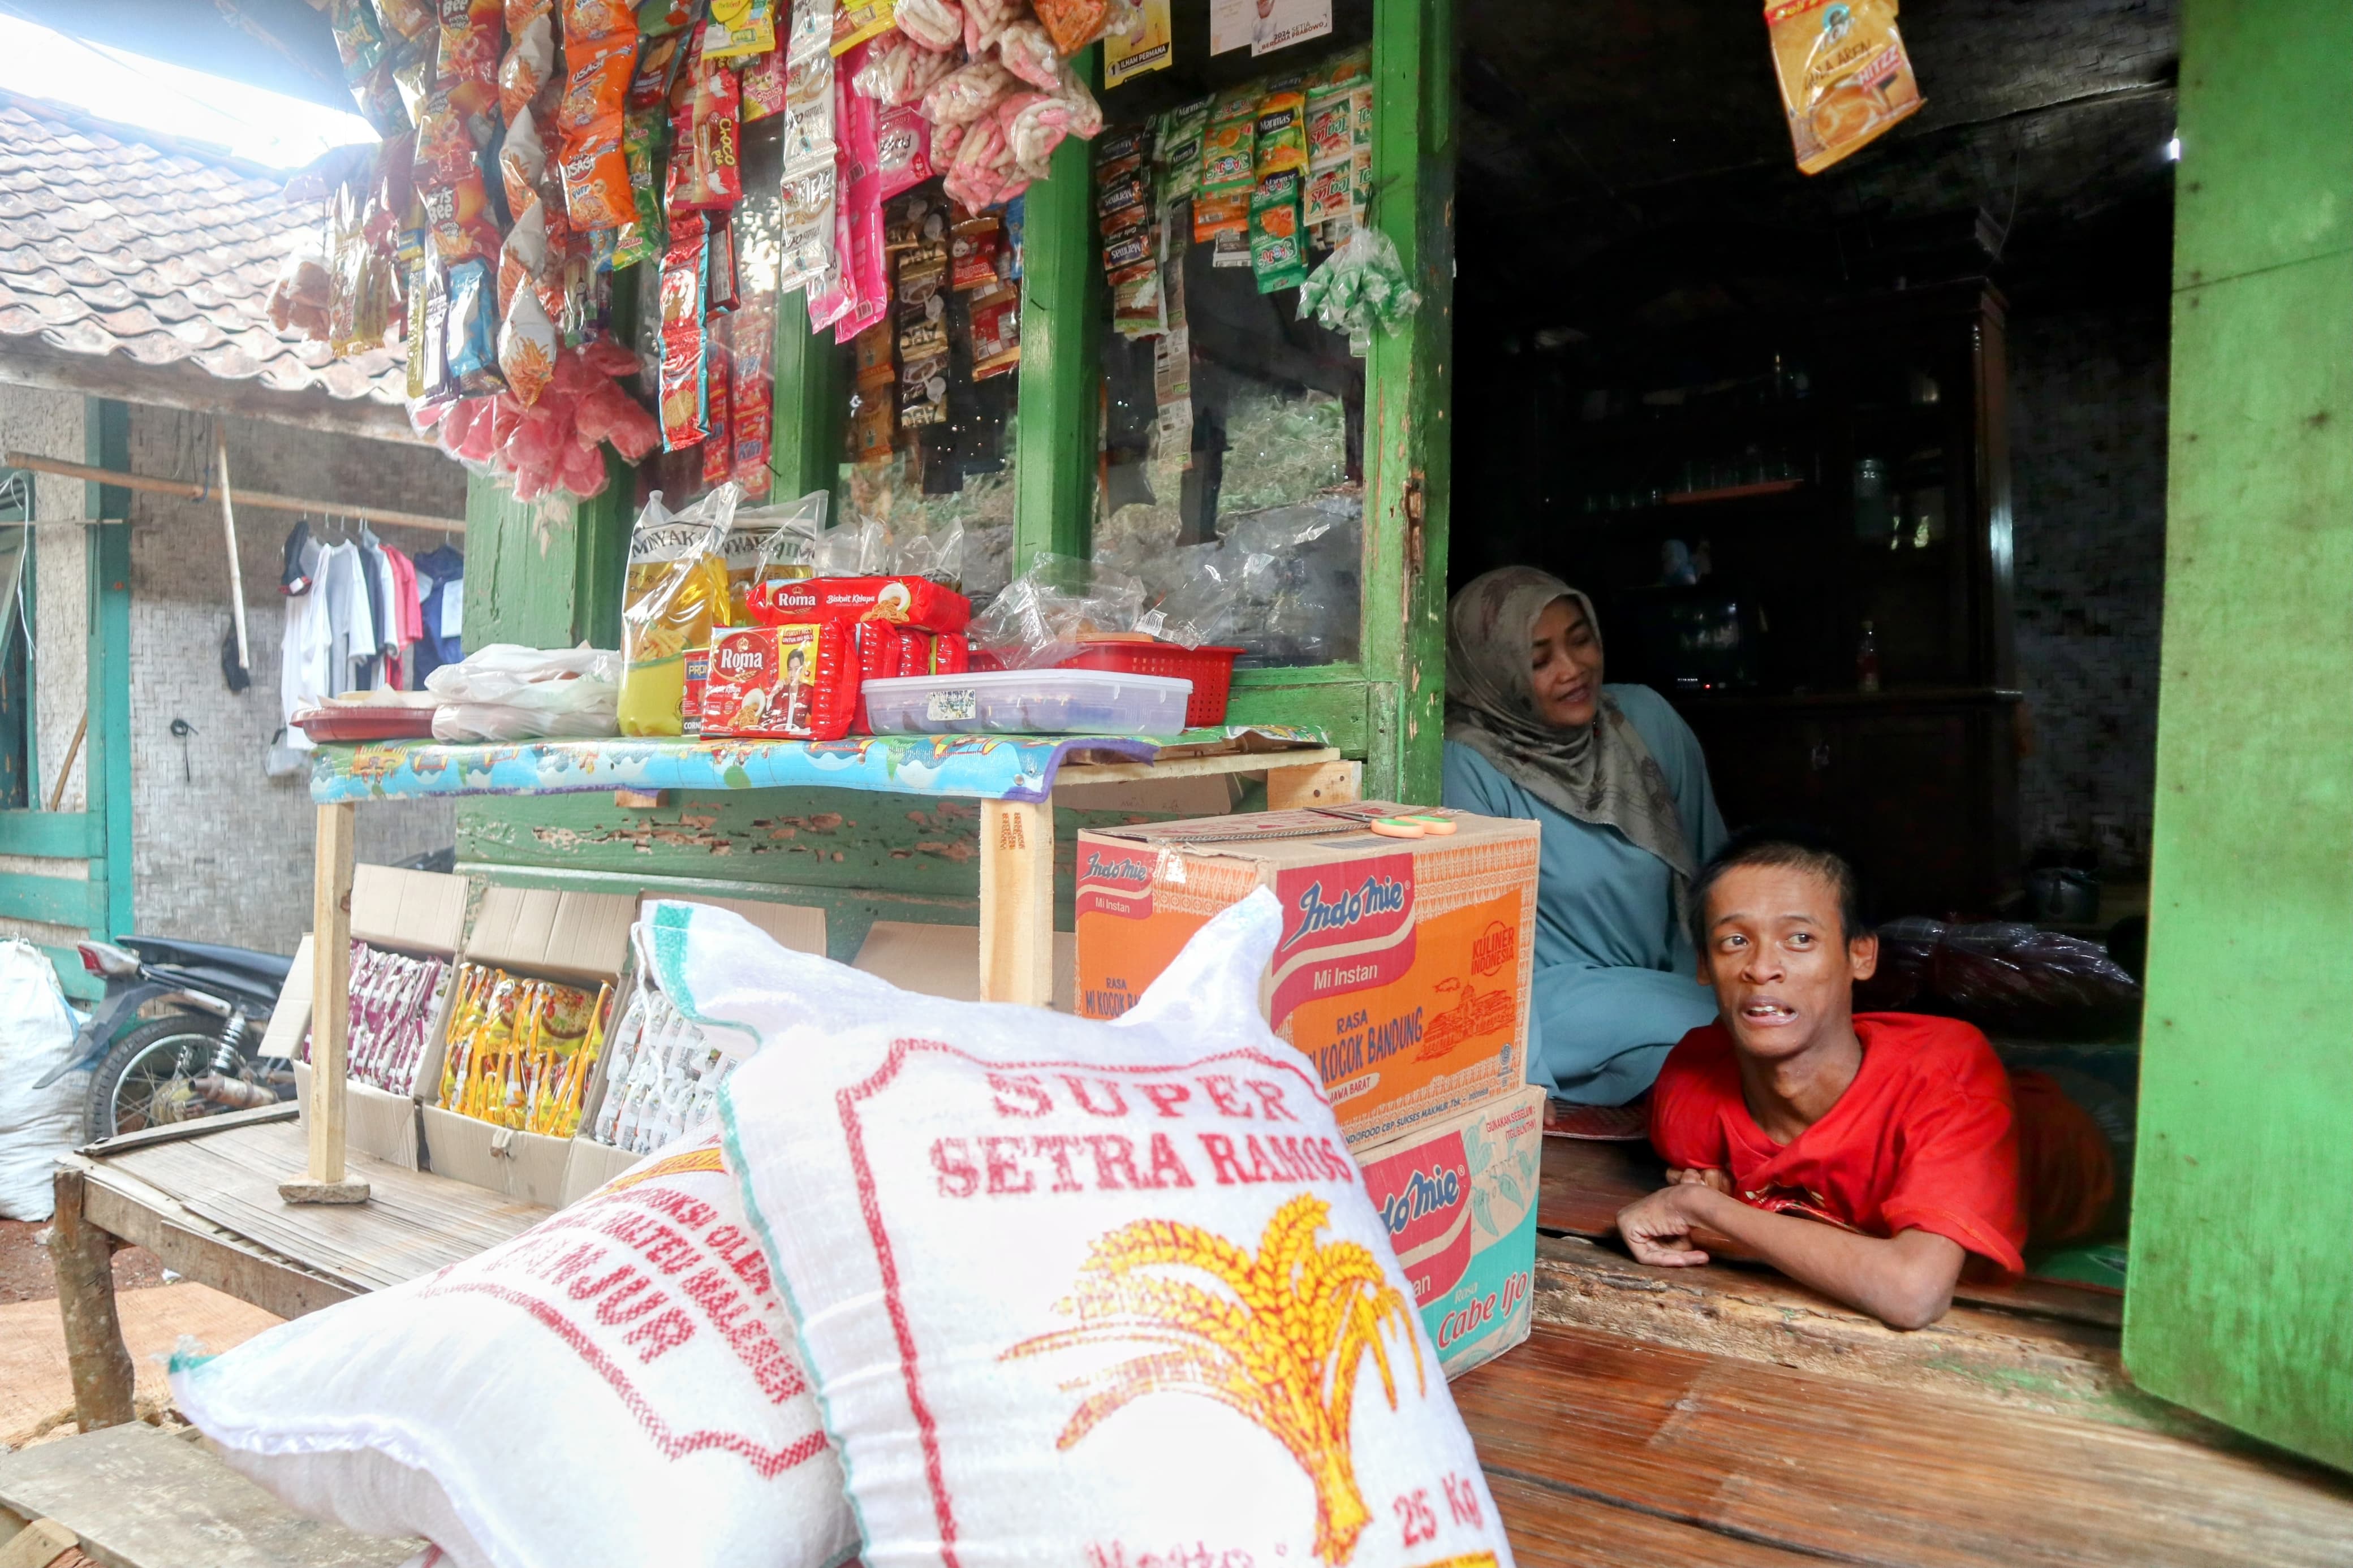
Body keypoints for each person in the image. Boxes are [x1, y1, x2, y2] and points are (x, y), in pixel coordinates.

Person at [1617, 828, 2116, 1330]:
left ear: (1861, 955)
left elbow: (1913, 1292)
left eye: (1800, 939)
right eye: (1736, 940)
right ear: (1705, 965)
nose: (1762, 967)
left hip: (2096, 1138)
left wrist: (1701, 1207)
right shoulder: (1690, 1084)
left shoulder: (1945, 1073)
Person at [1441, 567, 1727, 1105]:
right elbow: (1480, 944)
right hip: (1550, 1010)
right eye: (1539, 659)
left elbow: (1716, 872)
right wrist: (1520, 1083)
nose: (1573, 670)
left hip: (1668, 987)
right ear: (1493, 671)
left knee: (1735, 1046)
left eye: (1581, 641)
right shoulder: (1468, 764)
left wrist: (1741, 970)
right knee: (1742, 1032)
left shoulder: (1644, 721)